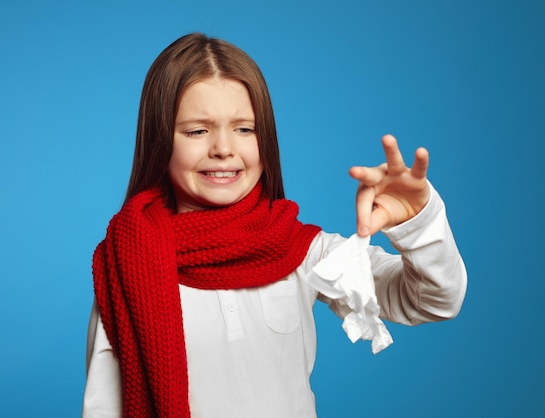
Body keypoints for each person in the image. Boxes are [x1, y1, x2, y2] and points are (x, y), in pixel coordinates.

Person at [82, 33, 467, 418]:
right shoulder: (128, 261)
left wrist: (419, 221)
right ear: (160, 141)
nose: (223, 148)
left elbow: (433, 301)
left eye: (244, 129)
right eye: (197, 131)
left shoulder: (304, 250)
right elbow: (104, 407)